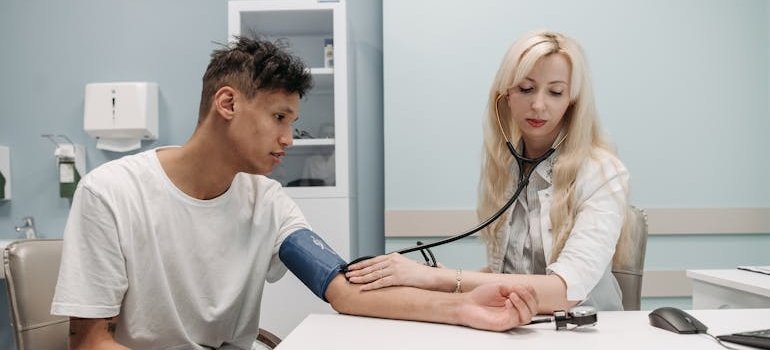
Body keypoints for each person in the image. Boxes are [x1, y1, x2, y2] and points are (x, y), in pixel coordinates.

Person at [51, 36, 539, 350]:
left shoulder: (266, 202)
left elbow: (344, 290)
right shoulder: (111, 194)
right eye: (279, 117)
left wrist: (463, 308)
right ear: (228, 102)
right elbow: (90, 341)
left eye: (294, 123)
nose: (288, 139)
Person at [346, 30, 633, 313]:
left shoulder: (602, 173)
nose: (538, 104)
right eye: (525, 88)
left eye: (555, 92)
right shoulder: (505, 165)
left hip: (591, 331)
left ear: (572, 102)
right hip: (521, 325)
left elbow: (564, 291)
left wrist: (440, 278)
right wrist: (443, 281)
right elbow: (511, 273)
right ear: (506, 95)